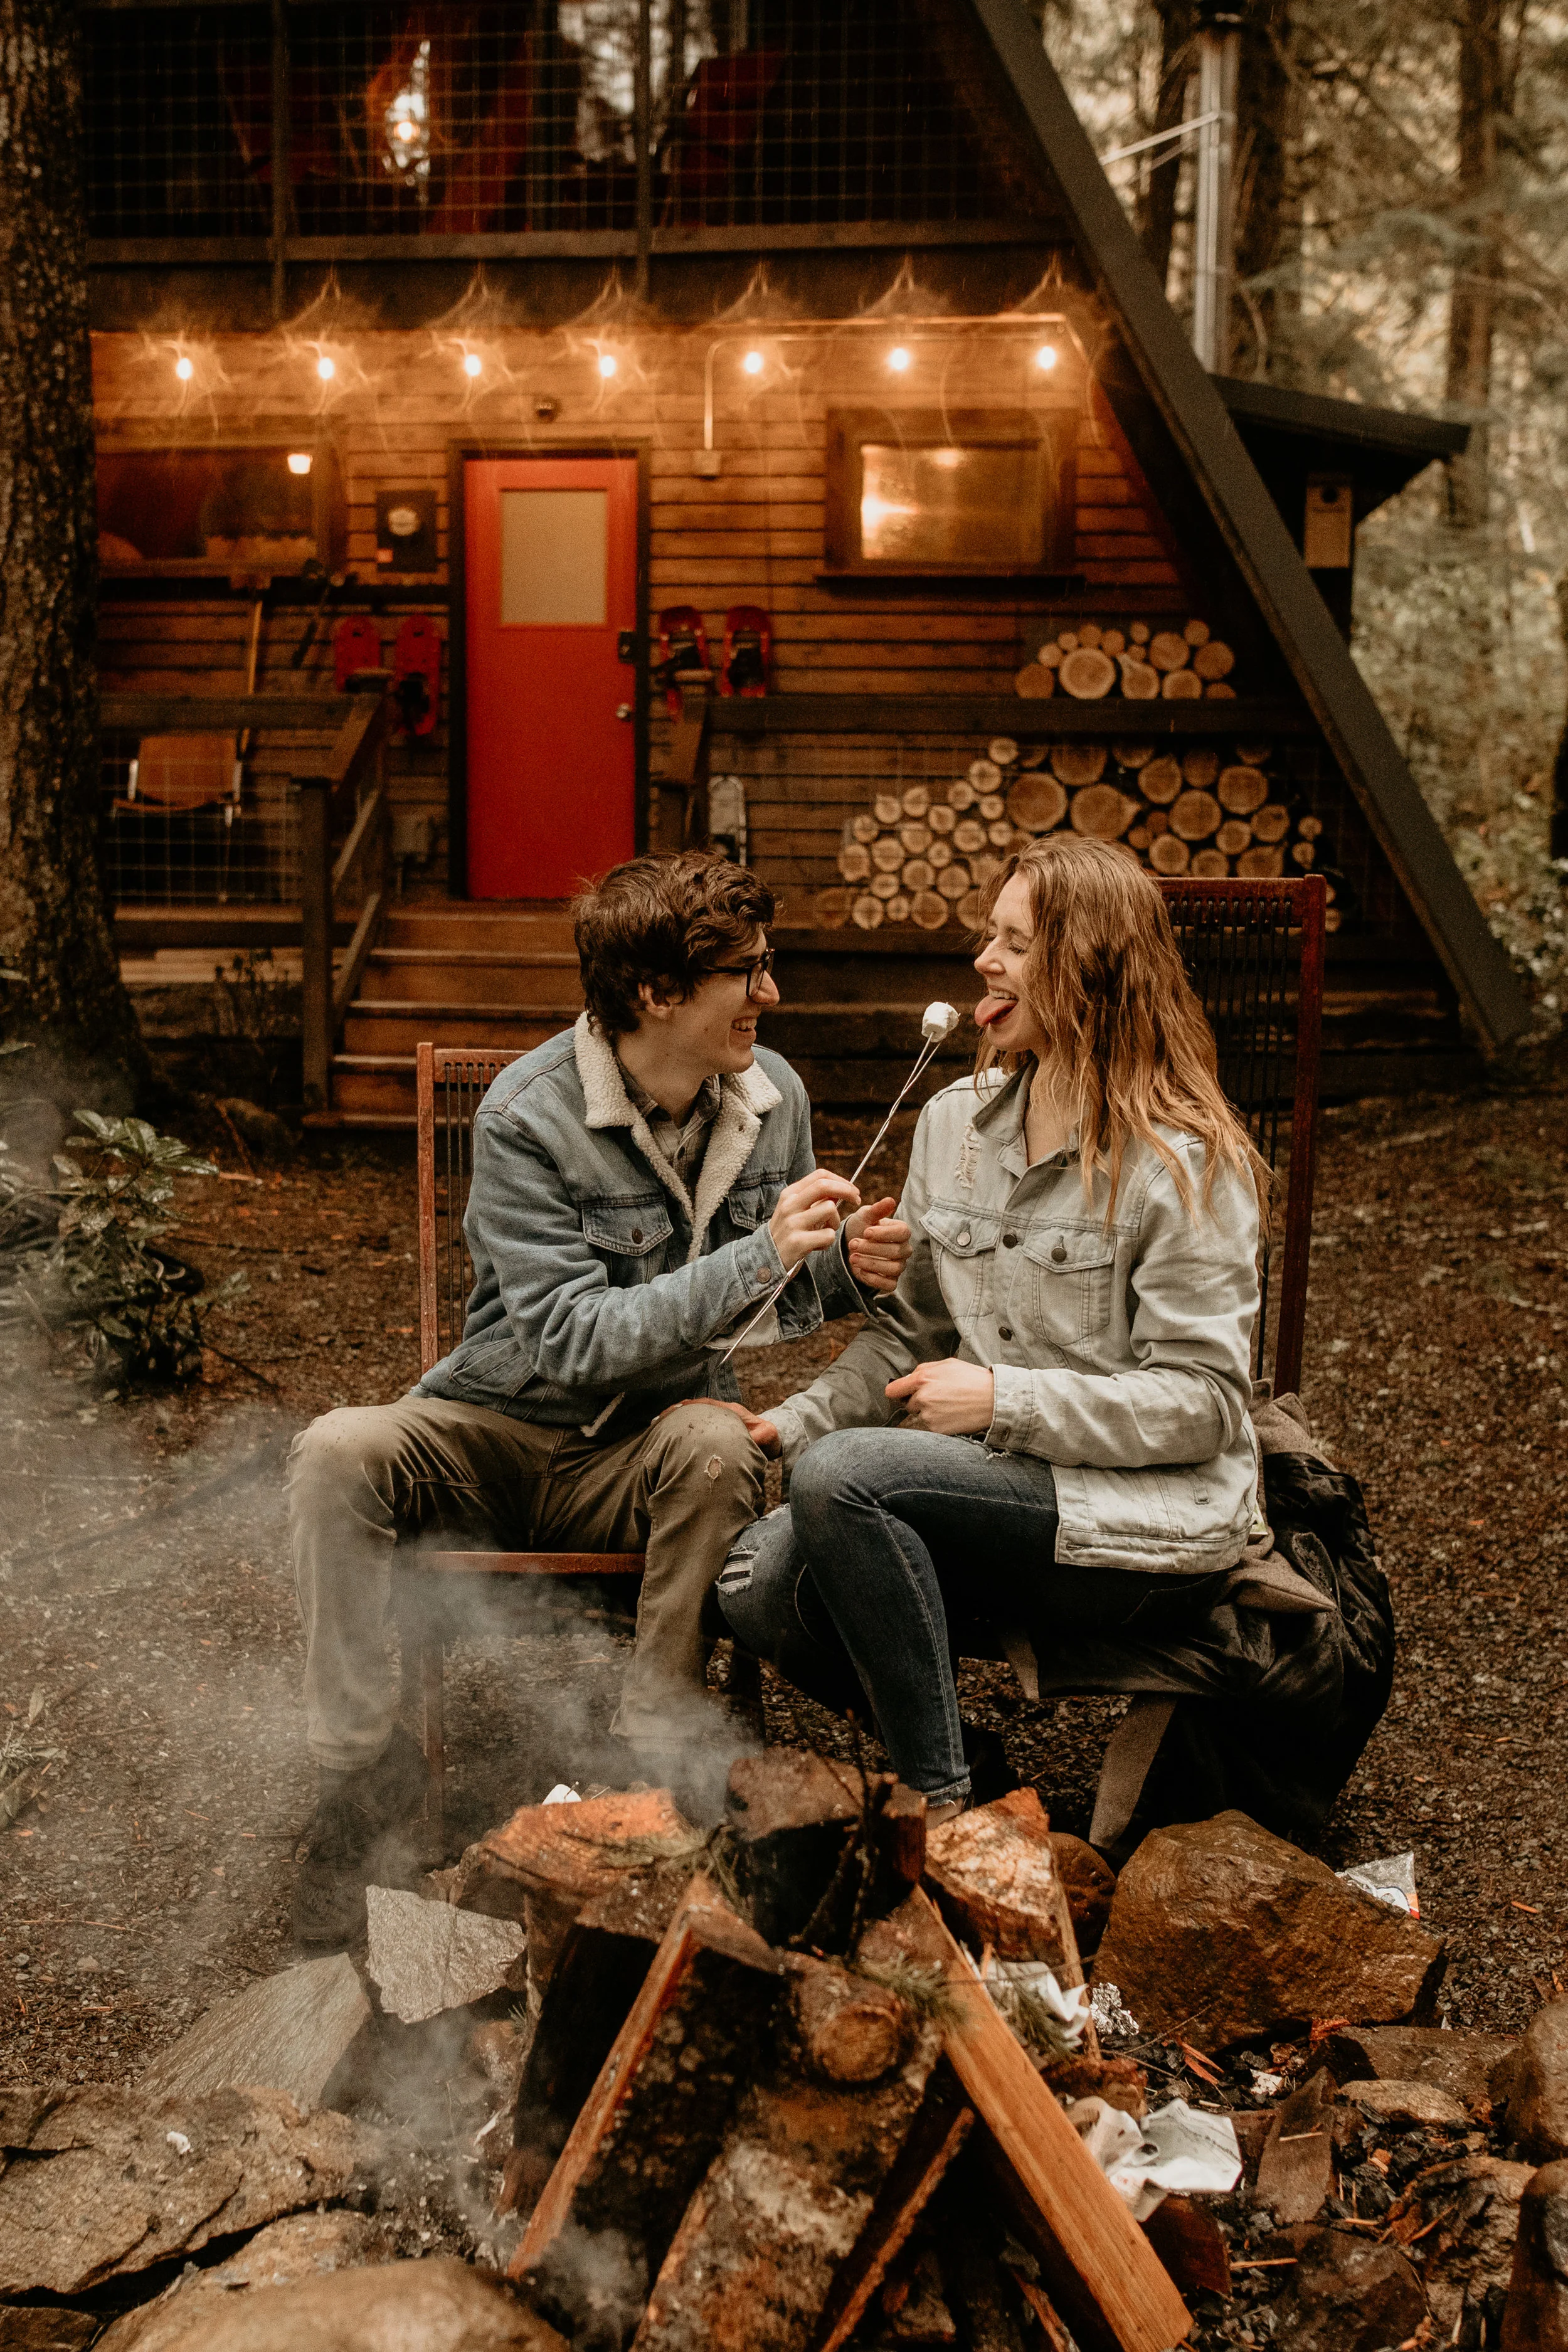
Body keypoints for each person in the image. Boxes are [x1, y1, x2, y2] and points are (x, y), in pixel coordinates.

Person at [287, 850, 909, 1941]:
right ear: (658, 994)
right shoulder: (528, 1114)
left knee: (723, 1445)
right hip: (497, 1432)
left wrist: (845, 1268)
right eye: (751, 972)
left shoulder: (776, 1101)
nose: (773, 994)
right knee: (336, 1448)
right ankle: (355, 1775)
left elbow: (761, 1306)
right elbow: (571, 1343)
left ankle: (652, 1769)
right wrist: (761, 1252)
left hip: (650, 1456)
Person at [716, 834, 1268, 1823]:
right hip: (989, 1505)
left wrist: (1004, 1400)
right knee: (761, 1578)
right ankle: (965, 1751)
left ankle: (944, 1816)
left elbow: (1207, 1406)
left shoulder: (1183, 1162)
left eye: (1015, 943)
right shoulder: (951, 1126)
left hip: (1139, 1531)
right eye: (988, 935)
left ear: (1088, 968)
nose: (984, 960)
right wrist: (792, 1422)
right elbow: (910, 1333)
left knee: (848, 1478)